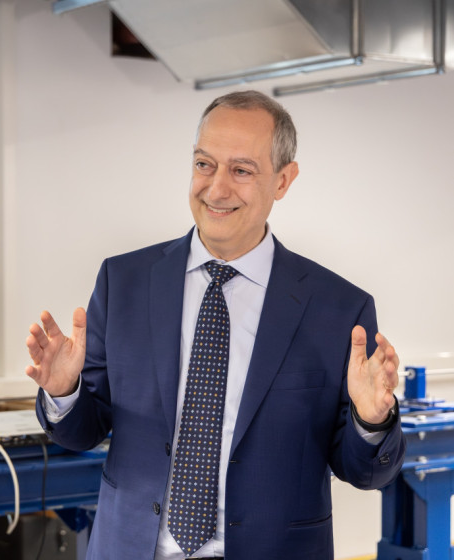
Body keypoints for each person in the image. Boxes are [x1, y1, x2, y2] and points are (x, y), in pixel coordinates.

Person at [25, 90, 404, 560]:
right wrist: (64, 392)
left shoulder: (339, 310)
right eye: (205, 164)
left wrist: (372, 421)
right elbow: (83, 431)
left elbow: (365, 472)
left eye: (241, 170)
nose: (216, 189)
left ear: (283, 180)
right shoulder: (123, 282)